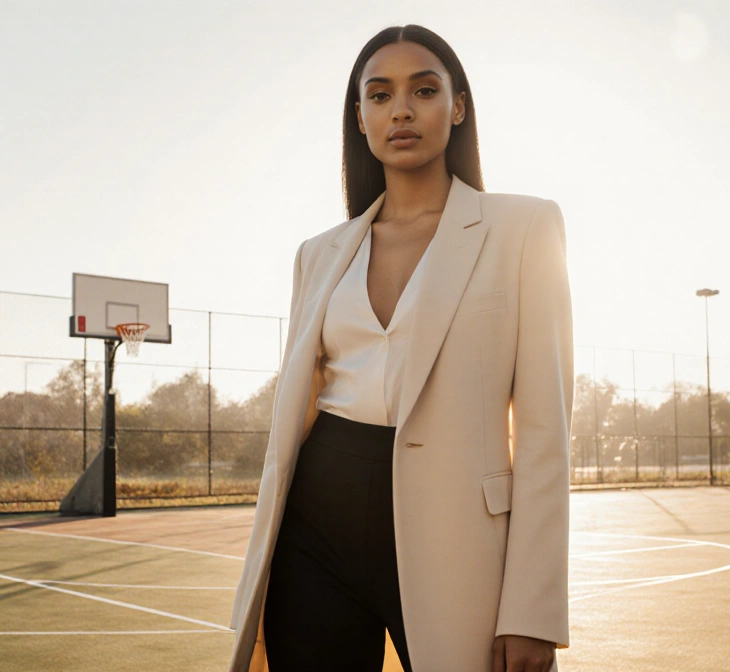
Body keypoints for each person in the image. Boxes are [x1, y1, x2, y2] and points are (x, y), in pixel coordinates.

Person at [228, 23, 573, 672]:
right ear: (360, 118)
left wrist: (534, 608)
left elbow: (545, 432)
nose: (402, 110)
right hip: (317, 518)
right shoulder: (318, 253)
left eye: (424, 89)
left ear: (459, 106)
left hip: (457, 532)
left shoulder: (524, 228)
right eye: (380, 95)